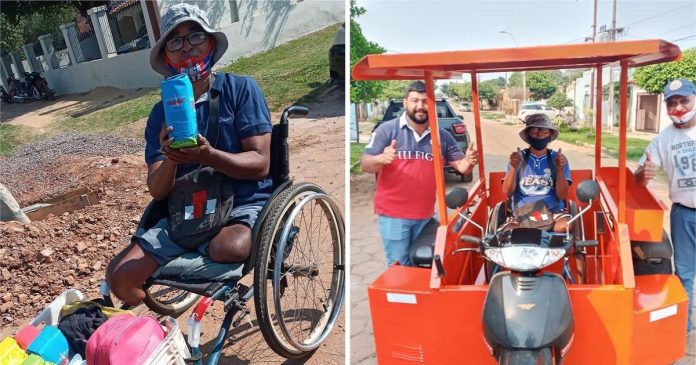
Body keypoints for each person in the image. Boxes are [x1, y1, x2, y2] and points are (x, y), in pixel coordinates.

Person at [106, 3, 273, 305]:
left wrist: (208, 155)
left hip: (242, 202)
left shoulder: (241, 89)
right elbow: (157, 190)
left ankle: (197, 255)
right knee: (119, 276)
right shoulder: (161, 114)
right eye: (175, 41)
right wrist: (170, 159)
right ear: (166, 56)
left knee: (228, 247)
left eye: (195, 36)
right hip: (188, 211)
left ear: (210, 43)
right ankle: (164, 331)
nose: (187, 48)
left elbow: (260, 165)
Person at [360, 81, 478, 266]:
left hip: (425, 216)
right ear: (405, 102)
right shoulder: (387, 130)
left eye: (425, 101)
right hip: (394, 216)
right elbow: (365, 165)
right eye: (415, 100)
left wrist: (469, 161)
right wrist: (381, 159)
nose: (420, 106)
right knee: (399, 266)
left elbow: (461, 167)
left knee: (424, 265)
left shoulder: (442, 136)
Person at [634, 77, 696, 334]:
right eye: (672, 103)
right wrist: (643, 174)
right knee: (684, 272)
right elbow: (637, 177)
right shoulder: (662, 140)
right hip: (684, 215)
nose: (679, 107)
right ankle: (683, 326)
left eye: (684, 100)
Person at [501, 113, 571, 232]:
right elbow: (507, 192)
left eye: (543, 131)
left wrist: (559, 170)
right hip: (522, 210)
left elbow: (562, 195)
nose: (539, 135)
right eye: (534, 131)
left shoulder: (558, 158)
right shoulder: (517, 158)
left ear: (550, 135)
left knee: (565, 227)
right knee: (509, 232)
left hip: (553, 210)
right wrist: (513, 167)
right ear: (528, 135)